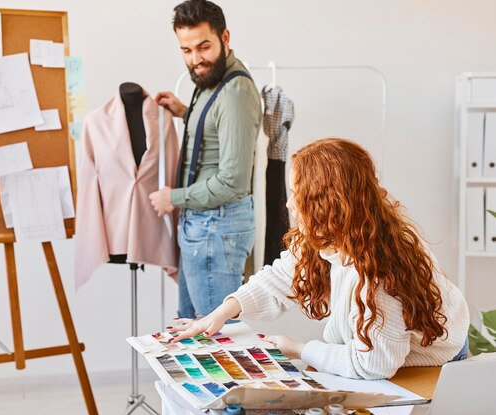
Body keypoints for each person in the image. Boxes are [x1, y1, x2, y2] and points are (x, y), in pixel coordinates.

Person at [171, 138, 470, 380]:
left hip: (435, 362)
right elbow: (281, 276)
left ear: (326, 201)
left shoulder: (380, 272)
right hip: (383, 355)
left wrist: (301, 350)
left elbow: (374, 365)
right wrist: (225, 310)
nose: (288, 203)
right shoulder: (331, 234)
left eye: (296, 193)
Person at [149, 0, 262, 320]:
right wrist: (186, 112)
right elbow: (218, 130)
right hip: (203, 225)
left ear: (225, 38)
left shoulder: (235, 93)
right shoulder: (211, 81)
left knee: (214, 341)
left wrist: (175, 198)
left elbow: (233, 180)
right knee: (190, 328)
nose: (196, 59)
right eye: (186, 50)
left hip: (217, 227)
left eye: (204, 47)